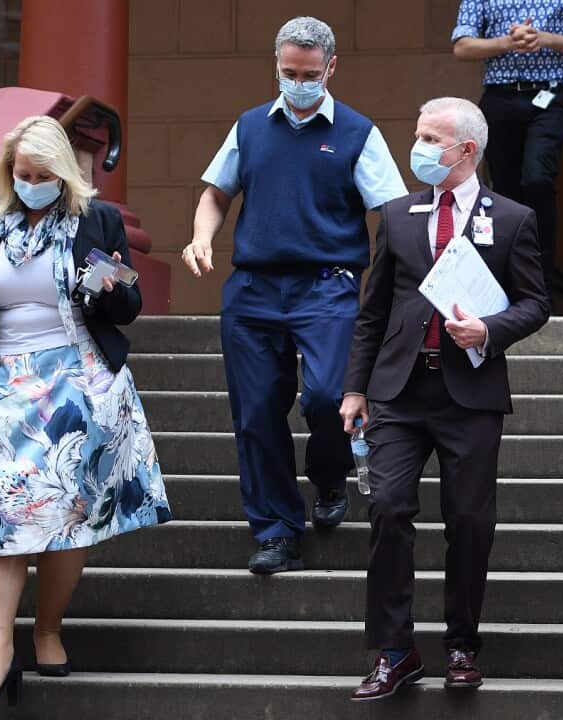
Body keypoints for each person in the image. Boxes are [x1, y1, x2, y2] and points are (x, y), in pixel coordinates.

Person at [0, 115, 171, 707]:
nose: (31, 183)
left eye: (43, 175)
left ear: (64, 174)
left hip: (76, 385)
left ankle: (47, 629)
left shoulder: (94, 221)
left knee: (68, 514)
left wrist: (102, 279)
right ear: (8, 173)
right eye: (22, 174)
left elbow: (128, 304)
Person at [340, 97, 549, 702]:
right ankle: (395, 650)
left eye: (432, 138)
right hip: (399, 390)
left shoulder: (511, 218)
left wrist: (491, 330)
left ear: (466, 151)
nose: (419, 148)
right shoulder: (400, 216)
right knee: (388, 510)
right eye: (419, 135)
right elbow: (372, 309)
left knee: (469, 521)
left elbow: (535, 302)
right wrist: (355, 387)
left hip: (471, 392)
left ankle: (462, 644)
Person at [183, 16, 407, 575]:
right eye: (289, 72)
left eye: (310, 73)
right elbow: (216, 193)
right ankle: (277, 531)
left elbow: (394, 213)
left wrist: (389, 280)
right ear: (276, 66)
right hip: (253, 289)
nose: (299, 82)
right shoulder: (250, 126)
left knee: (329, 395)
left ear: (331, 68)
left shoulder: (358, 132)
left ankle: (330, 477)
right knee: (256, 413)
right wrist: (200, 237)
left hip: (328, 286)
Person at [451, 0, 563, 291]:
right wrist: (508, 42)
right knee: (504, 190)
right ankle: (506, 282)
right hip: (500, 96)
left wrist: (545, 39)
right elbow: (462, 46)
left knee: (537, 179)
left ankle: (541, 285)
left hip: (550, 95)